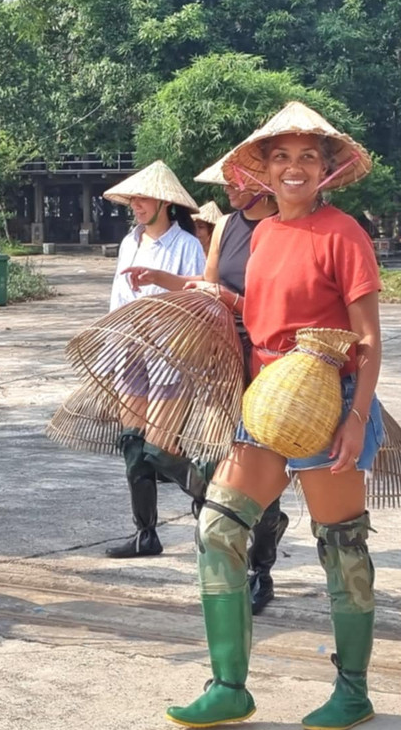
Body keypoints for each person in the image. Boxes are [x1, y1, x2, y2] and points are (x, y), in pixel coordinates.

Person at [165, 102, 387, 730]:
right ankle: (229, 686)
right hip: (262, 399)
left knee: (341, 544)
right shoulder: (261, 232)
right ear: (262, 168)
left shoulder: (345, 234)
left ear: (327, 168)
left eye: (308, 157)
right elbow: (261, 317)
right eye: (281, 157)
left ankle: (353, 691)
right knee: (218, 527)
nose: (294, 168)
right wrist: (211, 297)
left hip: (327, 401)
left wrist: (355, 418)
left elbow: (368, 340)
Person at [122, 152, 289, 615]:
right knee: (170, 451)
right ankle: (228, 514)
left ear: (261, 182)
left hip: (267, 358)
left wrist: (229, 298)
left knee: (260, 464)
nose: (227, 191)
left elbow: (274, 303)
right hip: (219, 355)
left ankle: (261, 568)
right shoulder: (230, 226)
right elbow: (206, 285)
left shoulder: (278, 230)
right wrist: (163, 280)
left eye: (235, 182)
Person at [100, 160, 207, 559]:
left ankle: (210, 499)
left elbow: (196, 301)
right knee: (132, 444)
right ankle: (146, 533)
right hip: (130, 352)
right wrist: (112, 348)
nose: (135, 205)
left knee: (160, 448)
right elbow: (117, 300)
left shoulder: (187, 246)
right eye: (132, 199)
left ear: (164, 202)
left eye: (142, 198)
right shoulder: (130, 242)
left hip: (169, 352)